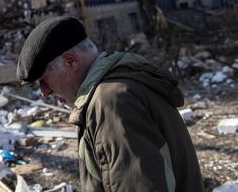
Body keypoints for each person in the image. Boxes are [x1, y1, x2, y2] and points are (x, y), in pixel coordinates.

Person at [17, 16, 203, 191]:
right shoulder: (119, 86)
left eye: (44, 80)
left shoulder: (110, 102)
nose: (44, 92)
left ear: (70, 61)